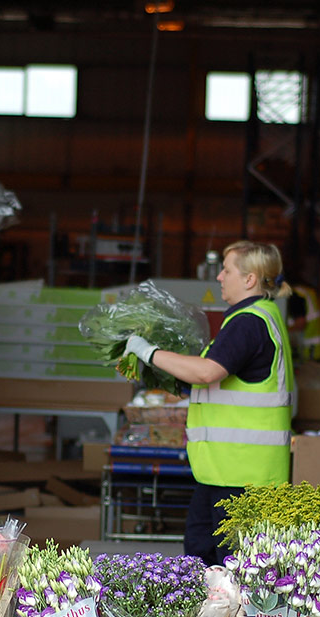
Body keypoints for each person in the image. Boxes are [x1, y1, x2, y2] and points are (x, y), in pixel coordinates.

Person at [125, 240, 294, 566]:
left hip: (241, 477)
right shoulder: (256, 318)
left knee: (230, 569)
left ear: (249, 279)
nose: (218, 277)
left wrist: (149, 353)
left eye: (226, 270)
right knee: (203, 556)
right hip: (228, 472)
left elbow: (207, 372)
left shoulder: (249, 323)